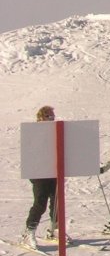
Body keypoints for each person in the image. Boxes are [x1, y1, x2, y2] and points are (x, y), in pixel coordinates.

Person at [22, 106, 62, 248]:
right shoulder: (34, 132)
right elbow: (30, 154)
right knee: (40, 204)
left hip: (54, 173)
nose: (52, 119)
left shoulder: (55, 131)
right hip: (40, 174)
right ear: (41, 118)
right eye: (49, 117)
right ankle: (29, 232)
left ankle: (54, 229)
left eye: (53, 117)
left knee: (57, 203)